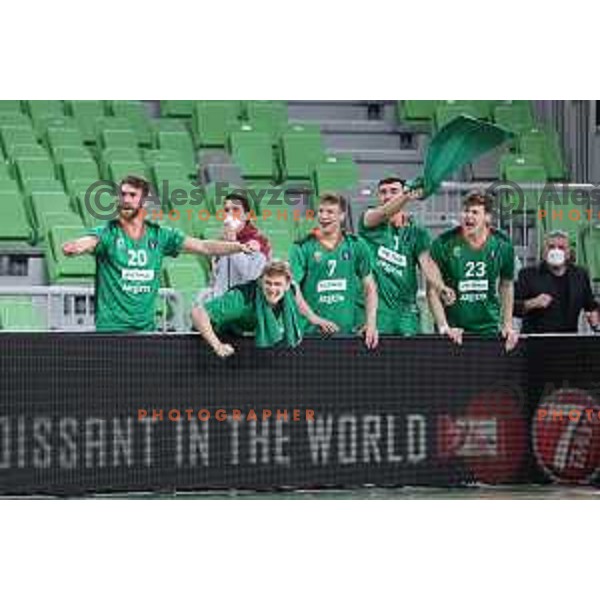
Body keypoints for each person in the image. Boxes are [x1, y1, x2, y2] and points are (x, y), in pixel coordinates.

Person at [62, 175, 253, 333]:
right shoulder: (108, 232)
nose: (126, 199)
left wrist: (237, 247)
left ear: (143, 201)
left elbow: (203, 247)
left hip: (146, 331)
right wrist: (77, 246)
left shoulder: (161, 235)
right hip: (111, 330)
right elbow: (89, 241)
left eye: (132, 195)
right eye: (123, 194)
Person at [358, 176, 456, 335]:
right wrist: (406, 194)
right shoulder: (369, 220)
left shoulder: (417, 232)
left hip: (407, 313)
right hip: (378, 313)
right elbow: (383, 213)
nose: (387, 196)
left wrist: (440, 286)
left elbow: (427, 263)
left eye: (393, 191)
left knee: (410, 358)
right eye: (383, 192)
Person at [427, 190, 519, 350]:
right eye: (465, 211)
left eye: (475, 212)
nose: (468, 216)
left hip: (488, 327)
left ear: (487, 217)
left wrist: (507, 324)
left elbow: (507, 284)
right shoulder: (443, 243)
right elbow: (432, 290)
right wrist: (444, 327)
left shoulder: (503, 244)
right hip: (455, 330)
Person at [289, 192, 379, 349]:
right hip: (311, 335)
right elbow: (291, 287)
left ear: (342, 216)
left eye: (330, 212)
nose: (324, 216)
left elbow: (370, 287)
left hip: (349, 334)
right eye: (321, 211)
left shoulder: (357, 245)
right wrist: (314, 318)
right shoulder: (302, 247)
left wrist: (371, 323)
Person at [192, 261, 302, 358]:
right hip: (213, 339)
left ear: (287, 285)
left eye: (277, 284)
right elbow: (197, 313)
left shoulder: (290, 293)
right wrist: (217, 345)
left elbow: (301, 305)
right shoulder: (241, 298)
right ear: (260, 281)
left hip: (243, 341)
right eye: (268, 283)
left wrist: (317, 320)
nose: (272, 289)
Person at [514, 230, 599, 333]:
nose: (556, 251)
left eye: (561, 248)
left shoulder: (580, 275)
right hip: (536, 342)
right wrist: (532, 303)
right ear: (544, 252)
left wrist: (594, 317)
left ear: (568, 253)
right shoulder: (528, 275)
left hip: (568, 341)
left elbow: (590, 305)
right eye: (551, 247)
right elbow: (512, 307)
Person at [197, 191, 271, 303]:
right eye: (227, 210)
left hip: (244, 307)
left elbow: (250, 275)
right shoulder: (221, 242)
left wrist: (233, 243)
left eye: (235, 210)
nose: (230, 214)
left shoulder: (259, 242)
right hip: (221, 306)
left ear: (247, 216)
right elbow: (215, 277)